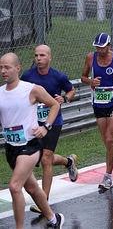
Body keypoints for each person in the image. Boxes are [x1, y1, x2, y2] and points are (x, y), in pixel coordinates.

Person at [0, 53, 64, 228]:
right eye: (1, 67)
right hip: (12, 147)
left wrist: (46, 127)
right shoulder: (0, 93)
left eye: (7, 67)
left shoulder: (31, 89)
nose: (3, 71)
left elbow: (55, 105)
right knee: (32, 188)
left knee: (15, 187)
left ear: (17, 68)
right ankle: (53, 218)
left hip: (30, 146)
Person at [20, 45, 78, 214]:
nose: (39, 58)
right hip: (33, 123)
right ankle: (69, 162)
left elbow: (71, 89)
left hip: (53, 121)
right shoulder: (27, 76)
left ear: (50, 58)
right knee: (41, 158)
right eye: (36, 55)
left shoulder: (59, 76)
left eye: (42, 55)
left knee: (46, 159)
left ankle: (43, 200)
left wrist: (65, 98)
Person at [81, 33, 113, 190]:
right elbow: (82, 77)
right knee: (107, 141)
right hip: (98, 103)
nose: (100, 50)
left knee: (108, 139)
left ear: (109, 45)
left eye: (102, 47)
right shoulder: (90, 58)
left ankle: (108, 178)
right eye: (97, 47)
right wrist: (90, 81)